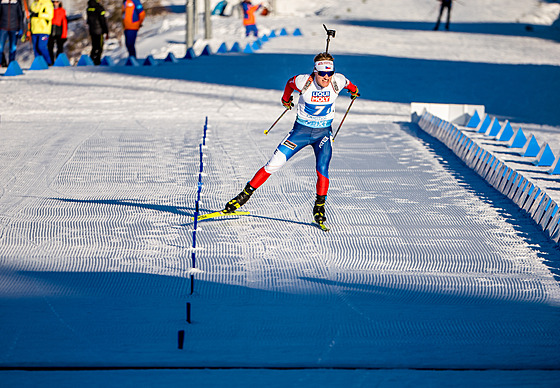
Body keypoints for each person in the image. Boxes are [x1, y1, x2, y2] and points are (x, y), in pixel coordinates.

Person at [223, 52, 360, 226]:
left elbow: (351, 85)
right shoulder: (304, 82)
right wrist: (285, 99)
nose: (326, 77)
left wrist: (354, 92)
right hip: (300, 133)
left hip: (323, 134)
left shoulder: (337, 81)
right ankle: (242, 196)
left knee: (322, 168)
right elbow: (289, 83)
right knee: (274, 164)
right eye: (322, 73)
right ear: (315, 71)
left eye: (329, 73)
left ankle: (319, 208)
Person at [0, 0, 25, 66]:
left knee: (13, 48)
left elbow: (20, 15)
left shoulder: (17, 2)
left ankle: (11, 64)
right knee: (0, 47)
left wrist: (21, 28)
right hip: (3, 27)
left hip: (14, 28)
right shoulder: (2, 1)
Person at [30, 0, 53, 65]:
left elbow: (50, 15)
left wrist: (39, 14)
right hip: (34, 30)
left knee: (41, 46)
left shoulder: (47, 3)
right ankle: (39, 63)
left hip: (44, 31)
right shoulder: (34, 3)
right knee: (35, 48)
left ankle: (48, 62)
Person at [87, 0, 108, 65]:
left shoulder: (89, 8)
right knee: (100, 47)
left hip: (92, 30)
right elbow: (102, 20)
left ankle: (91, 60)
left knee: (94, 46)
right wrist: (106, 31)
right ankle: (97, 61)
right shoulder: (99, 8)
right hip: (99, 30)